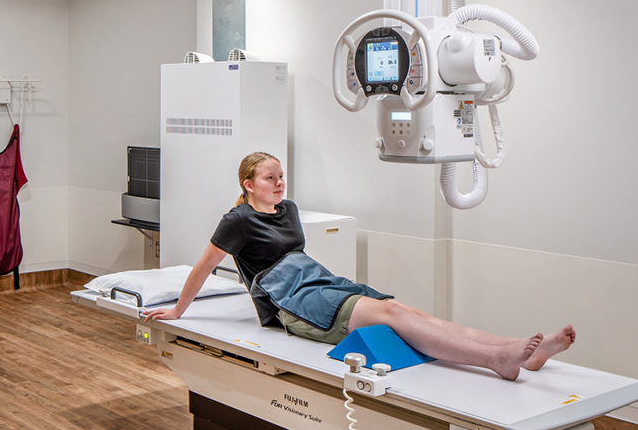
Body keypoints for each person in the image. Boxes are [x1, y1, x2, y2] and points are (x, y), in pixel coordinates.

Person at [143, 151, 574, 380]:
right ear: (249, 185)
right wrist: (179, 310)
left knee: (409, 312)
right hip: (291, 304)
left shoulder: (288, 209)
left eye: (280, 176)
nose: (279, 183)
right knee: (394, 314)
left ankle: (514, 350)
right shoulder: (238, 220)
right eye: (270, 178)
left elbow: (299, 257)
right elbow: (203, 265)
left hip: (317, 282)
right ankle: (496, 361)